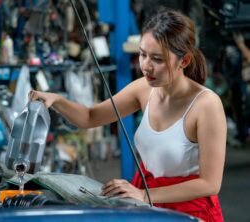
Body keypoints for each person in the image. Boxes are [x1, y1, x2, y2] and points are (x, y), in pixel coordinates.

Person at [29, 9, 226, 222]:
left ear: (184, 61)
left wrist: (144, 195)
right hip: (148, 204)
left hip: (190, 212)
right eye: (142, 54)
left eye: (157, 59)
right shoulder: (144, 89)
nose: (145, 66)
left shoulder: (206, 104)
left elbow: (210, 183)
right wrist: (56, 100)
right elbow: (90, 117)